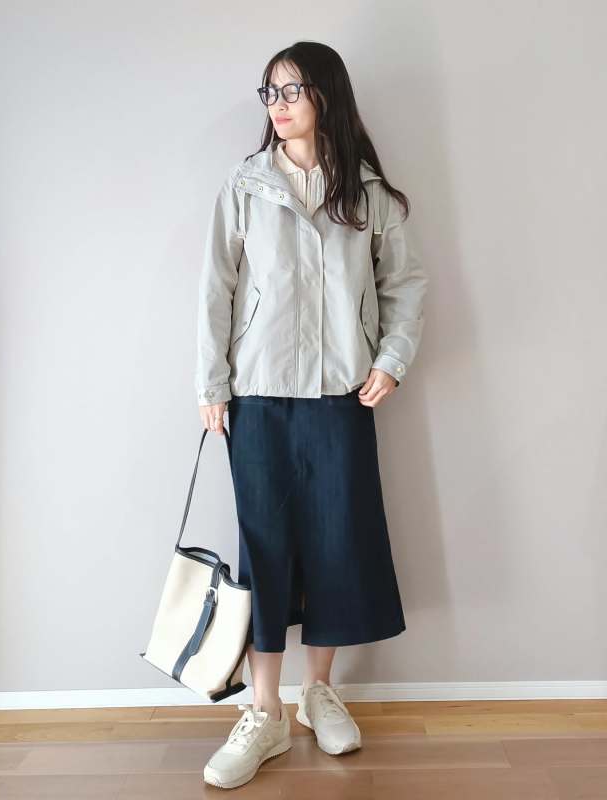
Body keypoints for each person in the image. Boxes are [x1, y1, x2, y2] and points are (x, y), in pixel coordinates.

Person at [195, 40, 429, 790]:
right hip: (258, 394)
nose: (279, 104)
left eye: (292, 89)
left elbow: (405, 286)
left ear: (327, 94)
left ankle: (317, 692)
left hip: (339, 393)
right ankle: (263, 711)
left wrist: (390, 361)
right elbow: (215, 289)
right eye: (270, 92)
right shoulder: (245, 186)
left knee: (337, 542)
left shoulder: (367, 192)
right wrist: (212, 383)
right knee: (264, 547)